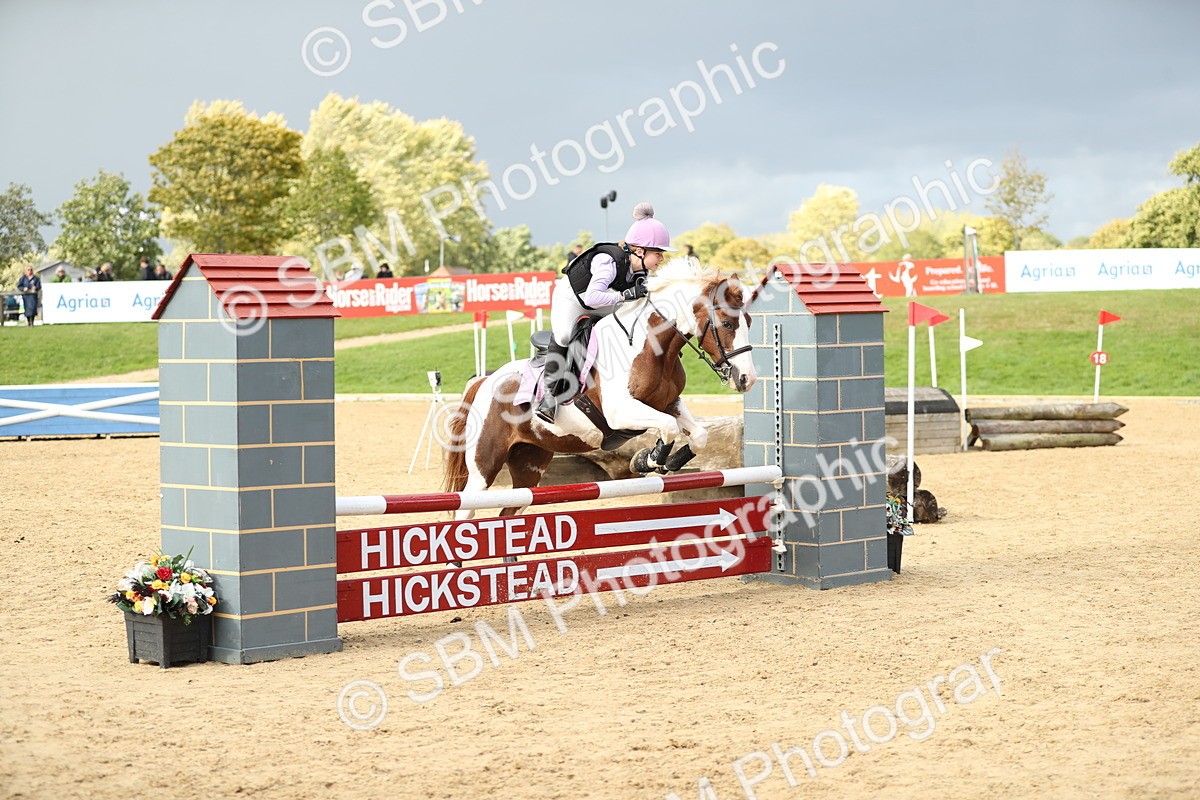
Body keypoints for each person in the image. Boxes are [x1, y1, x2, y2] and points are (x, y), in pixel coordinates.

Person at [535, 202, 675, 424]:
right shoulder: (608, 261)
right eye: (658, 253)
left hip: (602, 300)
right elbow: (591, 298)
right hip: (573, 298)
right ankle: (549, 397)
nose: (662, 258)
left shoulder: (642, 269)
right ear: (640, 250)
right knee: (563, 336)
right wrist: (626, 296)